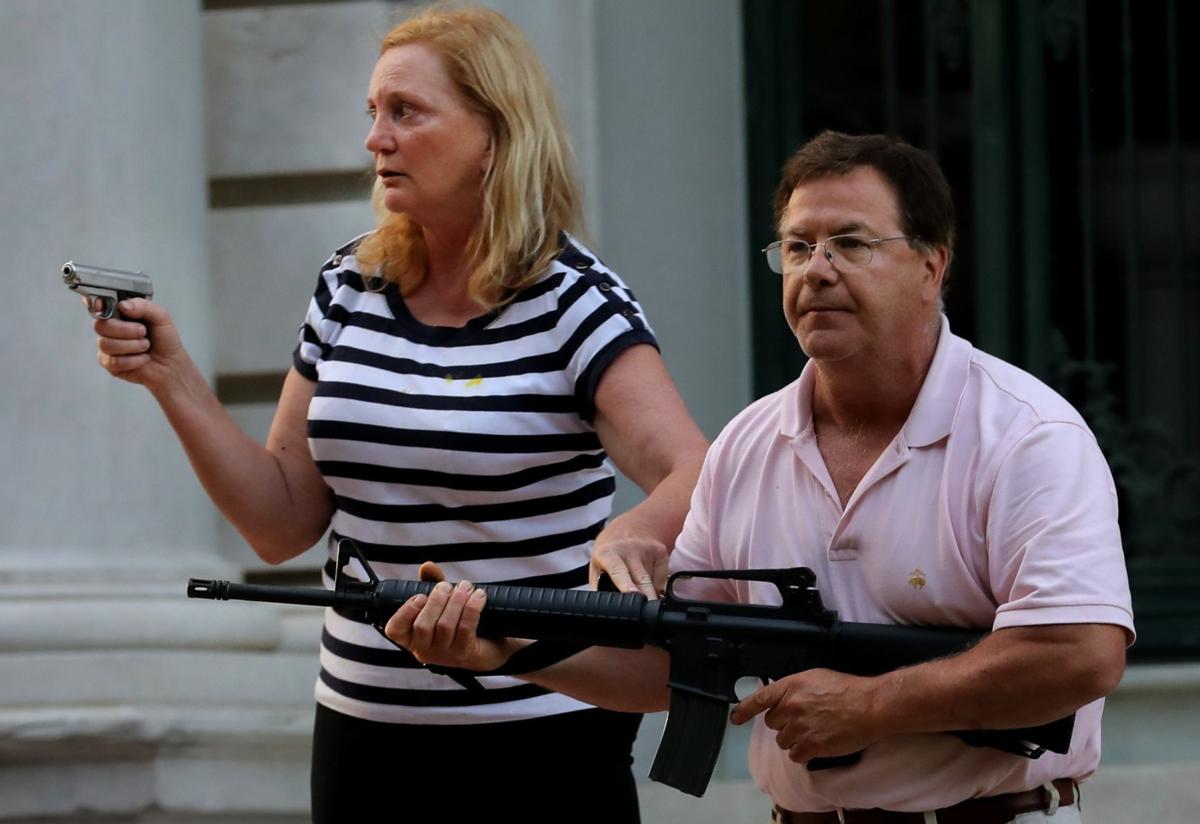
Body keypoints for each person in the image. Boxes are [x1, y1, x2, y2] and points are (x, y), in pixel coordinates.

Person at [384, 131, 1135, 823]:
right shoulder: (748, 444)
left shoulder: (1026, 436)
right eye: (798, 247)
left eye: (851, 243)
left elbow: (1081, 652)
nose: (819, 270)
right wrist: (507, 651)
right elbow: (668, 664)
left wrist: (875, 706)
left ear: (932, 264)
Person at [88, 5, 707, 821]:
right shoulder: (349, 285)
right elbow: (281, 521)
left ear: (495, 131)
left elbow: (696, 471)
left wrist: (631, 533)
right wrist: (173, 378)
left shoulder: (573, 302)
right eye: (373, 113)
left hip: (538, 737)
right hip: (361, 732)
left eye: (406, 112)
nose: (376, 138)